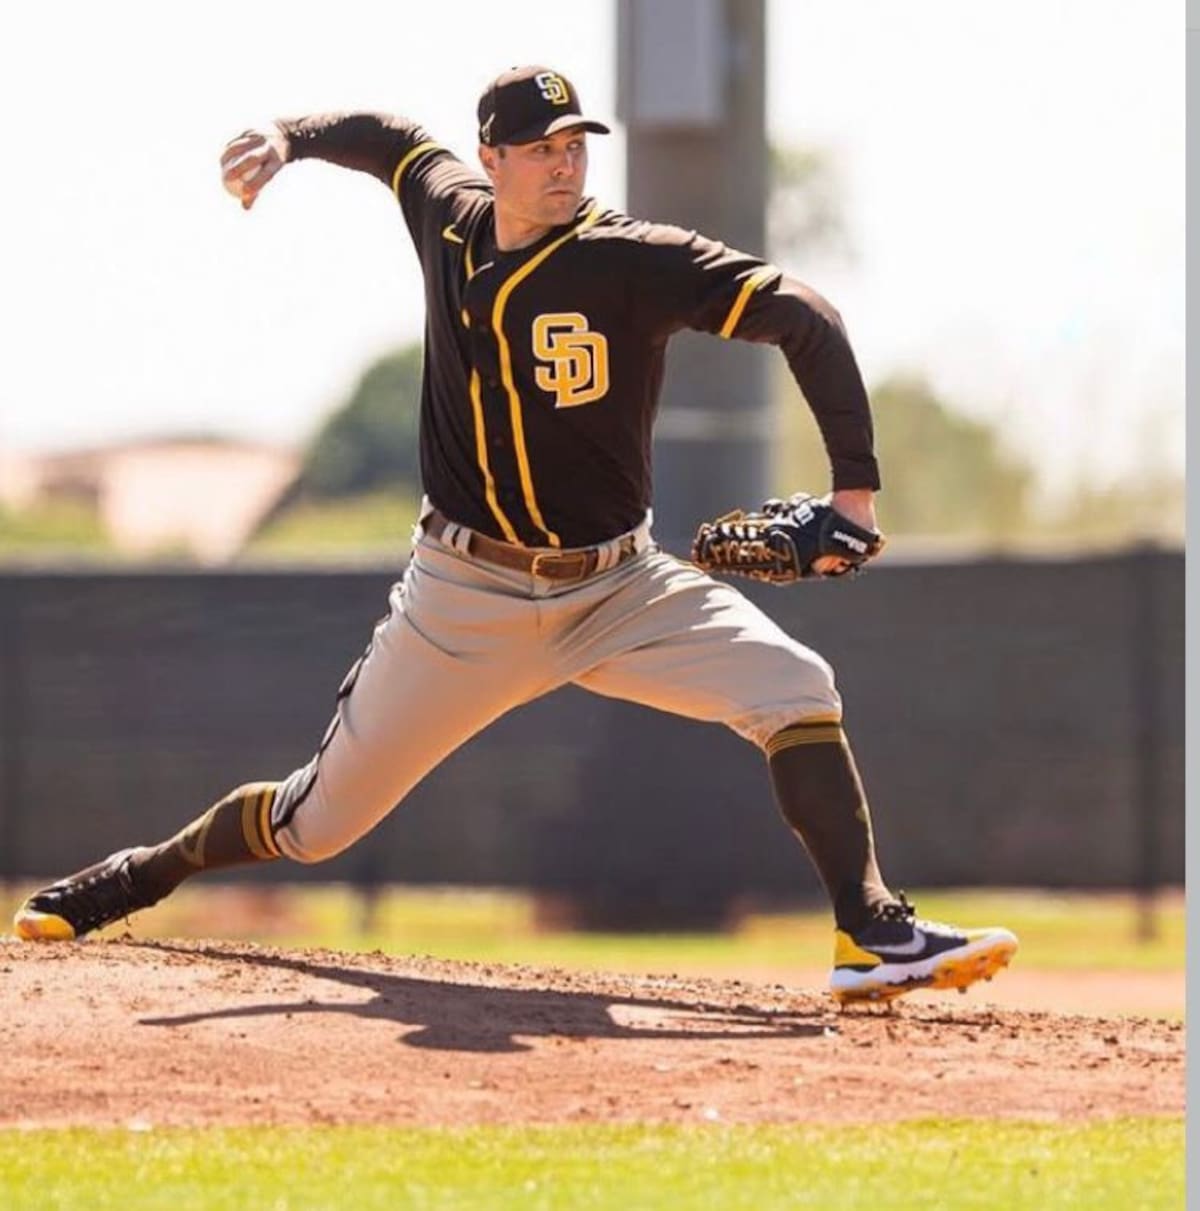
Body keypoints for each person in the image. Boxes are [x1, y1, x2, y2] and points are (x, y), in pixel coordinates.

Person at [13, 66, 1016, 1004]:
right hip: (464, 595)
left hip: (620, 588)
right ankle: (142, 871)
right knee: (312, 825)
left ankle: (868, 930)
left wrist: (856, 501)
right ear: (492, 159)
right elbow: (388, 137)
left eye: (575, 142)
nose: (565, 160)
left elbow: (809, 316)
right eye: (541, 147)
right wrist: (288, 136)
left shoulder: (628, 260)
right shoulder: (447, 212)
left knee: (799, 687)